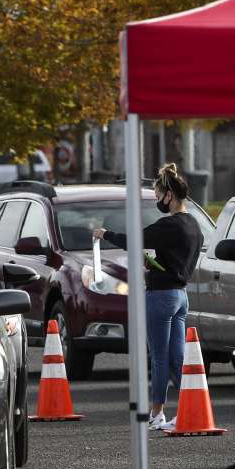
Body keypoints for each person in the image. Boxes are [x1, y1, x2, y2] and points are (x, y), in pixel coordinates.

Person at [94, 163, 202, 431]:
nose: (157, 201)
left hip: (161, 296)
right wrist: (155, 264)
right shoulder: (194, 226)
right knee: (178, 358)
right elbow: (178, 261)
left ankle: (157, 413)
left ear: (169, 196)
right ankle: (193, 408)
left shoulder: (170, 225)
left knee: (159, 356)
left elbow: (135, 240)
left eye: (157, 196)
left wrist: (105, 234)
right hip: (180, 296)